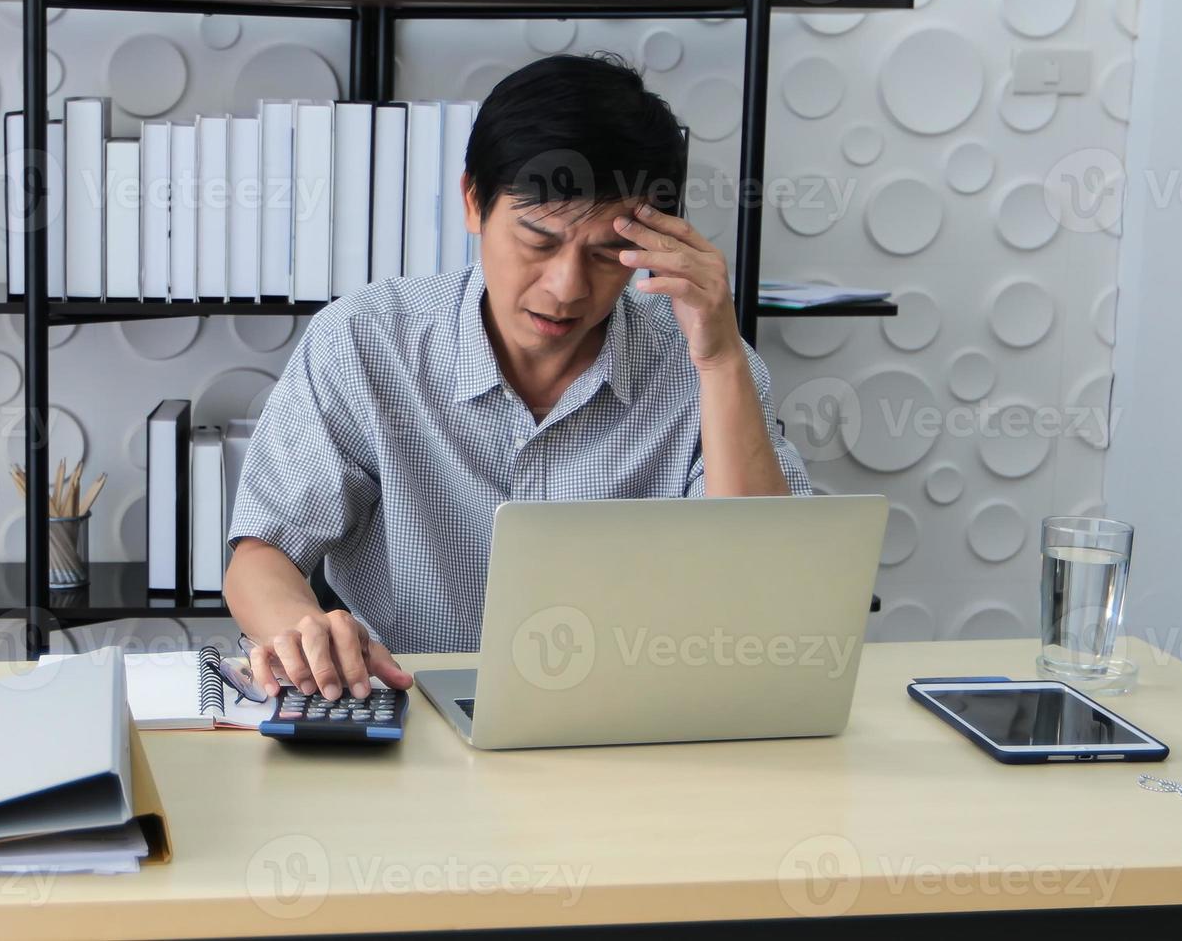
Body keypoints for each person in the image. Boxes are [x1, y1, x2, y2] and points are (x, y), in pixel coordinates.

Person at [224, 53, 812, 702]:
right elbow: (261, 556)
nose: (566, 289)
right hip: (411, 715)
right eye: (537, 241)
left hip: (632, 721)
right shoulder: (366, 340)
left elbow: (758, 592)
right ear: (473, 201)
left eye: (605, 253)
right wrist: (303, 631)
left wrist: (721, 360)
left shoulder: (703, 366)